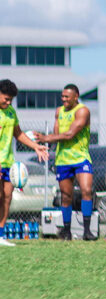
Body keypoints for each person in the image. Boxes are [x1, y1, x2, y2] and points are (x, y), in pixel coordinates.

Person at [35, 84, 97, 241]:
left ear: (76, 96)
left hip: (80, 157)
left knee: (86, 190)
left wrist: (46, 138)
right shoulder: (58, 111)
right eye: (62, 96)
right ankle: (67, 231)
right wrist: (43, 146)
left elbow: (69, 135)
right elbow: (57, 134)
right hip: (63, 159)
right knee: (66, 195)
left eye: (67, 97)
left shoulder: (83, 111)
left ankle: (87, 231)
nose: (63, 99)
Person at [0, 79, 49, 246]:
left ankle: (0, 235)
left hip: (8, 163)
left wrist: (36, 146)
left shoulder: (11, 112)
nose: (8, 102)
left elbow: (18, 134)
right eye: (5, 99)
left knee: (6, 198)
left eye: (10, 100)